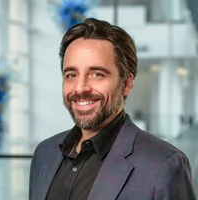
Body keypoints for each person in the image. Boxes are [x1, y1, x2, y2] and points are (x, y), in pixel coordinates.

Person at [29, 18, 197, 200]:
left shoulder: (164, 166)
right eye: (71, 74)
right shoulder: (44, 154)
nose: (80, 87)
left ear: (126, 84)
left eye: (96, 74)